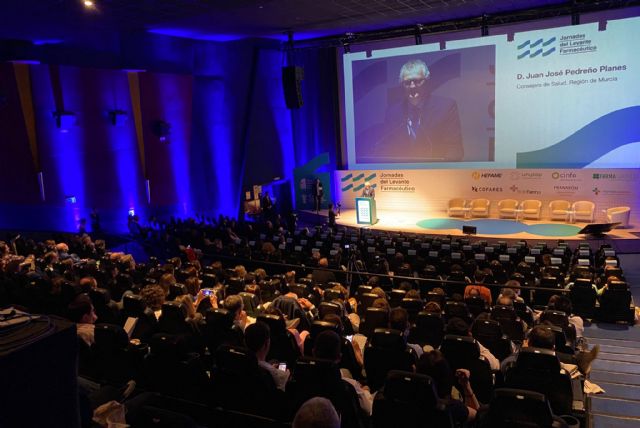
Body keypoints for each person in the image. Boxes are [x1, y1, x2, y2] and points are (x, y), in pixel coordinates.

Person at [375, 59, 463, 162]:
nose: (412, 86)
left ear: (427, 81)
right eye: (407, 82)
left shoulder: (446, 107)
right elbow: (385, 148)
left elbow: (455, 149)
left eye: (417, 81)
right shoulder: (392, 112)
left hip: (436, 173)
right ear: (402, 85)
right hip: (403, 175)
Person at [245, 321, 290, 391]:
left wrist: (269, 367)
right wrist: (273, 370)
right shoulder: (278, 375)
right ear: (266, 344)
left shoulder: (238, 363)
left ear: (244, 342)